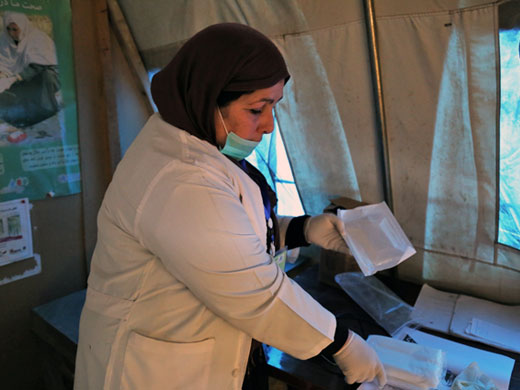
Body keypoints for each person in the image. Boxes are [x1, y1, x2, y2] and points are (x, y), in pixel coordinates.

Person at [74, 23, 386, 390]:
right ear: (209, 98)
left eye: (275, 107)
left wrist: (301, 229)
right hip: (157, 372)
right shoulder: (181, 179)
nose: (269, 126)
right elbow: (255, 292)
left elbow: (229, 237)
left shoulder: (199, 143)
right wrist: (341, 344)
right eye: (257, 109)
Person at [0, 12, 60, 129]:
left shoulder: (37, 38)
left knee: (45, 77)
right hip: (18, 78)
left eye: (15, 29)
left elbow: (39, 66)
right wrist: (3, 75)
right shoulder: (3, 39)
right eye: (9, 29)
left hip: (43, 75)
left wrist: (14, 78)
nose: (11, 33)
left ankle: (44, 111)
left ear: (23, 27)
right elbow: (3, 62)